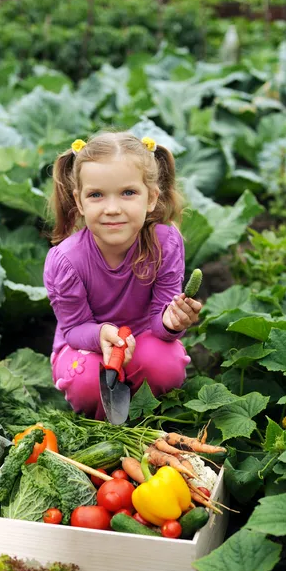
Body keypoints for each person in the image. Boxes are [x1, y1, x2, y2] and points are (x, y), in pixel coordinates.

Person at [43, 131, 202, 420]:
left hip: (144, 337)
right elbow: (74, 328)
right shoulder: (66, 261)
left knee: (164, 364)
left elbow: (160, 319)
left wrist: (172, 321)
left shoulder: (165, 244)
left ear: (152, 197)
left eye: (128, 193)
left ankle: (149, 417)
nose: (112, 209)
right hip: (84, 344)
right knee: (86, 380)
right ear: (79, 202)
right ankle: (100, 423)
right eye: (96, 195)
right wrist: (101, 334)